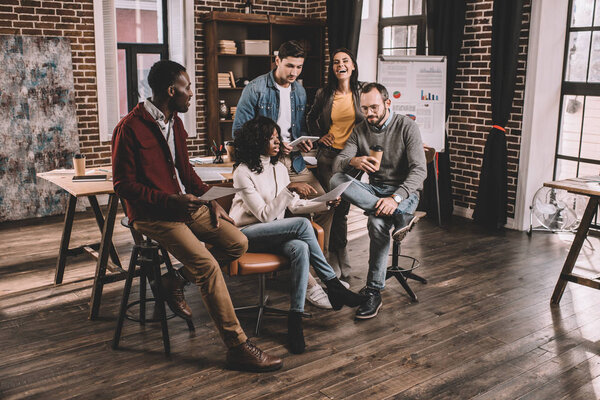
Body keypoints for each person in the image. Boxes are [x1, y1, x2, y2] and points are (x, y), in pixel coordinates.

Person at [111, 60, 282, 372]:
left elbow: (185, 171)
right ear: (170, 90)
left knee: (237, 242)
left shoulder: (174, 122)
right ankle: (237, 346)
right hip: (152, 215)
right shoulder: (129, 128)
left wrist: (208, 199)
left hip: (184, 207)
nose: (191, 93)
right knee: (205, 265)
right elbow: (123, 186)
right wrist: (171, 201)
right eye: (187, 87)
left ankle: (173, 280)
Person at [229, 116, 367, 354]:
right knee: (303, 227)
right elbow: (264, 216)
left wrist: (324, 204)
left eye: (277, 137)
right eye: (270, 138)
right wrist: (289, 189)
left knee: (301, 247)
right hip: (246, 235)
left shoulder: (280, 168)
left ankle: (295, 321)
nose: (276, 142)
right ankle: (333, 285)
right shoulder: (242, 172)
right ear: (256, 141)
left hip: (275, 233)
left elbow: (293, 207)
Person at [233, 40, 336, 309]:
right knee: (284, 213)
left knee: (326, 203)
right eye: (289, 65)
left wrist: (303, 143)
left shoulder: (300, 91)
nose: (294, 72)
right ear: (276, 60)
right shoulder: (255, 89)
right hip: (266, 162)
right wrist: (271, 146)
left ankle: (313, 271)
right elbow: (239, 133)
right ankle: (315, 283)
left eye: (299, 67)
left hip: (293, 161)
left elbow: (298, 127)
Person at [329, 83, 427, 320]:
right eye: (365, 108)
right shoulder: (360, 129)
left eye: (374, 107)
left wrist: (395, 198)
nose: (369, 113)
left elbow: (419, 171)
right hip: (375, 190)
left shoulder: (407, 126)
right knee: (336, 180)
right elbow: (338, 162)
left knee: (376, 224)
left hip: (405, 193)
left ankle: (373, 290)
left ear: (387, 103)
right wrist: (353, 162)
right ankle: (398, 217)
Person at [307, 48, 363, 282]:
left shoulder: (362, 92)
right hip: (329, 158)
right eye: (336, 62)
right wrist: (320, 136)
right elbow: (310, 118)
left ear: (352, 66)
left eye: (345, 61)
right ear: (333, 68)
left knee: (343, 210)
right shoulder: (325, 93)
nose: (340, 65)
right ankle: (328, 259)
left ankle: (341, 255)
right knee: (331, 208)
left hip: (353, 160)